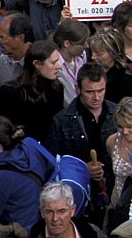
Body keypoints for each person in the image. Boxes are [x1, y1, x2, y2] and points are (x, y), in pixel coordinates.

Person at [44, 62, 117, 206]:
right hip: (77, 192)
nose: (96, 97)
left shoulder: (116, 114)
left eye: (101, 90)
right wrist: (82, 168)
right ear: (78, 89)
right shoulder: (61, 121)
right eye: (89, 92)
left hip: (113, 188)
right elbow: (52, 162)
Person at [0, 40, 64, 142]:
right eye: (53, 62)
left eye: (58, 61)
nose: (59, 66)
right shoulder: (11, 92)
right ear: (37, 64)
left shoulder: (57, 88)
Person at [88, 29, 132, 104]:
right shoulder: (90, 71)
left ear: (113, 53)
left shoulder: (125, 80)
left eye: (99, 54)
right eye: (92, 52)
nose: (93, 57)